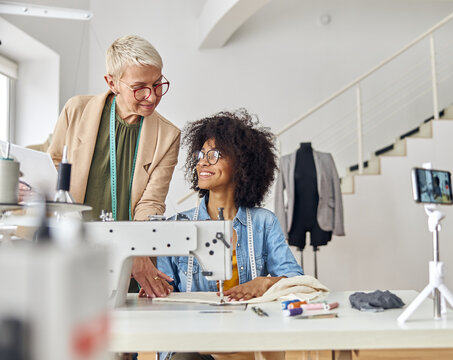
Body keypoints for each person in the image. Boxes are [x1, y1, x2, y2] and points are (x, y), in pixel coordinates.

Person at [157, 110, 303, 360]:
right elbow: (163, 299)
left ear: (241, 163)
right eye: (201, 155)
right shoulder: (177, 226)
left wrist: (264, 283)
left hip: (243, 343)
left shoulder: (263, 223)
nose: (202, 162)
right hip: (192, 344)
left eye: (214, 155)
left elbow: (297, 282)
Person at [47, 35, 180, 298]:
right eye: (139, 87)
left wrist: (134, 251)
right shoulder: (76, 111)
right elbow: (53, 170)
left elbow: (150, 203)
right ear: (112, 83)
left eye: (157, 84)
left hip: (131, 265)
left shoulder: (168, 136)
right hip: (73, 253)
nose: (151, 97)